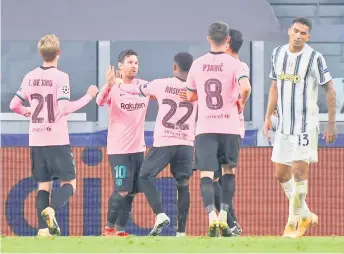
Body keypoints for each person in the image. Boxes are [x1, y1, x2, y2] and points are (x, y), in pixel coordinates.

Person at [9, 34, 98, 236]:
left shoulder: (30, 76)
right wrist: (89, 96)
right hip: (56, 139)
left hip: (36, 139)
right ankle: (52, 210)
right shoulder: (61, 76)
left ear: (41, 54)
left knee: (43, 184)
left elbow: (14, 105)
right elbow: (65, 108)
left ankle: (42, 230)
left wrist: (27, 112)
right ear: (59, 53)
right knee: (70, 184)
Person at [263, 17, 337, 238]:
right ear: (289, 31)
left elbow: (330, 89)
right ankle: (305, 214)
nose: (298, 35)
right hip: (284, 126)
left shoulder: (315, 57)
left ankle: (293, 224)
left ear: (308, 37)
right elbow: (275, 86)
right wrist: (268, 116)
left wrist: (331, 124)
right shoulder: (277, 53)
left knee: (298, 172)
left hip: (306, 126)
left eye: (303, 33)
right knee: (281, 174)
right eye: (296, 31)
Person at [116, 52, 196, 237]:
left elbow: (136, 89)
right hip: (186, 143)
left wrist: (119, 83)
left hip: (164, 142)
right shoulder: (196, 90)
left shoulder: (162, 84)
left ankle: (160, 214)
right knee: (183, 185)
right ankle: (181, 233)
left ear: (174, 67)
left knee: (144, 177)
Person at [185, 22, 251, 237]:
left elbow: (190, 95)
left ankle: (211, 217)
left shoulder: (197, 64)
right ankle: (224, 216)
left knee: (206, 174)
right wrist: (241, 101)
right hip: (229, 126)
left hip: (205, 127)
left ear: (208, 39)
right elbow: (246, 87)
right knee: (228, 171)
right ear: (228, 40)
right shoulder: (237, 64)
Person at [96, 49, 151, 236]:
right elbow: (99, 101)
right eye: (129, 62)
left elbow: (161, 93)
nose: (133, 66)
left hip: (138, 149)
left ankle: (120, 230)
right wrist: (108, 85)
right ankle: (108, 229)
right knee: (121, 190)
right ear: (120, 66)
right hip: (119, 149)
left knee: (132, 192)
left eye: (136, 62)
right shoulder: (114, 87)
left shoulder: (144, 87)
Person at [212, 28, 248, 237]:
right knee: (222, 175)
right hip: (232, 128)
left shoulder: (231, 66)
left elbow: (245, 89)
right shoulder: (241, 65)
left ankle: (230, 222)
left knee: (214, 176)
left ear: (227, 43)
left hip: (220, 127)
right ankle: (230, 222)